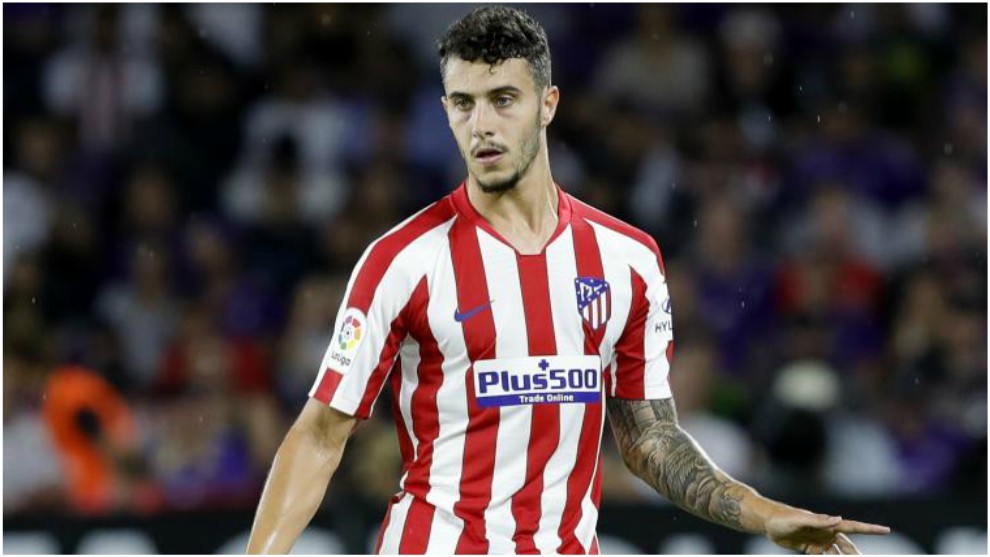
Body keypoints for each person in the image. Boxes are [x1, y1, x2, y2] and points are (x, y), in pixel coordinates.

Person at [247, 7, 890, 555]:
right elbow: (320, 434)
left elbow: (648, 438)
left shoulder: (628, 259)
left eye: (503, 99)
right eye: (463, 104)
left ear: (547, 104)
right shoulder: (403, 260)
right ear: (445, 111)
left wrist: (763, 513)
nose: (482, 125)